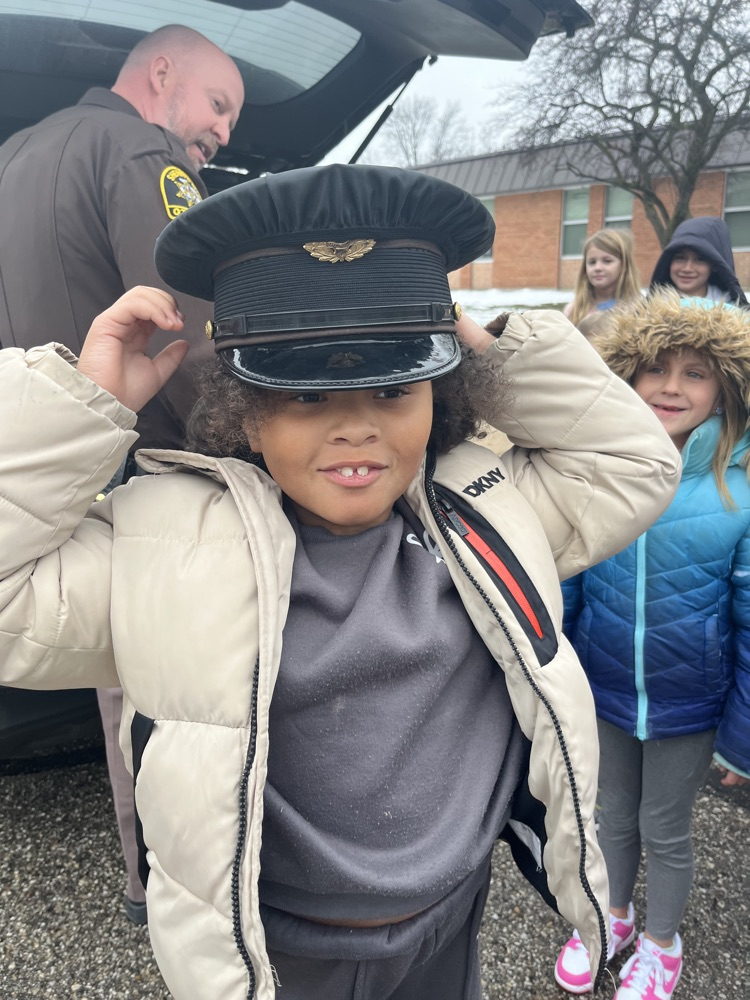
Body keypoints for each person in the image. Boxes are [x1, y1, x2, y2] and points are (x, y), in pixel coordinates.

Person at [0, 164, 680, 1000]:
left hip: (448, 920)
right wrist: (78, 401)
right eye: (308, 391)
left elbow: (635, 464)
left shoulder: (488, 507)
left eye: (396, 386)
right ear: (245, 408)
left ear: (443, 388)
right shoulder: (161, 544)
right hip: (278, 954)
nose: (356, 424)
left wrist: (499, 346)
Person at [0, 23, 244, 925]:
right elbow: (187, 325)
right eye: (219, 104)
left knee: (117, 682)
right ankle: (190, 888)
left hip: (41, 468)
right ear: (163, 73)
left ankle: (147, 881)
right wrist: (252, 449)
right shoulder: (141, 149)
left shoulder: (14, 155)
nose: (223, 134)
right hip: (147, 463)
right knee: (171, 686)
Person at [554, 290, 750, 1000]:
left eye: (695, 372)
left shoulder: (740, 491)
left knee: (665, 827)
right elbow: (569, 580)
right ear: (626, 377)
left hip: (689, 702)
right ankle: (612, 916)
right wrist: (558, 674)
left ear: (726, 389)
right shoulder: (598, 466)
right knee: (609, 816)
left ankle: (662, 943)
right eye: (657, 368)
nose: (671, 386)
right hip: (603, 688)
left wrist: (741, 737)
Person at [650, 216, 749, 308]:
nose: (687, 268)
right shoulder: (651, 309)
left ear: (714, 264)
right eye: (680, 258)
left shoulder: (731, 310)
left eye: (699, 260)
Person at [563, 229, 641, 337]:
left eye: (607, 261)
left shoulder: (637, 310)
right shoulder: (573, 311)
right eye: (592, 262)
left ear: (624, 265)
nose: (598, 268)